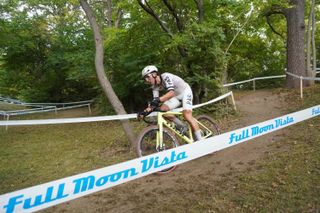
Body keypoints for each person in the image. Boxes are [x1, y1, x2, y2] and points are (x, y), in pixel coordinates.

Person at [140, 65, 202, 141]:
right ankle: (182, 126)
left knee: (187, 115)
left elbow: (171, 93)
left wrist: (158, 100)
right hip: (176, 96)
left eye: (147, 77)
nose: (146, 80)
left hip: (185, 91)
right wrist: (145, 112)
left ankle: (201, 140)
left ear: (154, 74)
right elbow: (154, 103)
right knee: (163, 111)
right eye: (145, 79)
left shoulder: (166, 76)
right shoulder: (154, 87)